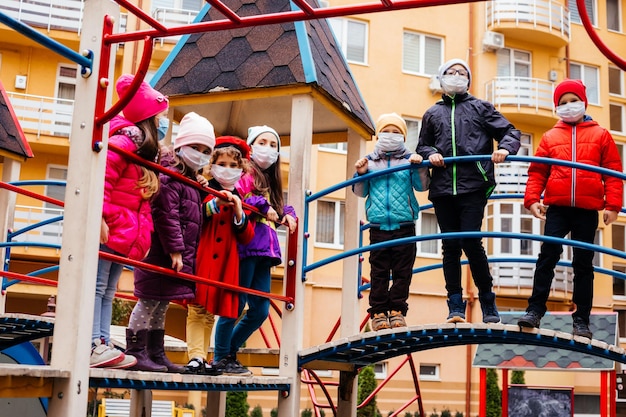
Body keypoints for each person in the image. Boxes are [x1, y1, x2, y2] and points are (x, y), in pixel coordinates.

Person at [416, 58, 521, 324]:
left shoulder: (480, 108)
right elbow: (422, 146)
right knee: (450, 246)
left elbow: (509, 131)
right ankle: (454, 305)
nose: (456, 76)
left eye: (462, 73)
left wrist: (505, 149)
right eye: (450, 72)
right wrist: (432, 154)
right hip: (442, 188)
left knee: (472, 243)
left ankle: (488, 301)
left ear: (468, 80)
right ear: (441, 78)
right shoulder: (432, 113)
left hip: (473, 183)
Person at [517, 79, 623, 338]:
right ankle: (535, 311)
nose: (568, 106)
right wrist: (531, 199)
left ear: (584, 102)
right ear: (556, 107)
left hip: (587, 209)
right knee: (547, 257)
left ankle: (581, 320)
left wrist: (613, 205)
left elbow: (612, 172)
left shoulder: (600, 135)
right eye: (562, 103)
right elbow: (537, 172)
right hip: (558, 207)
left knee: (584, 264)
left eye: (573, 101)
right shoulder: (551, 137)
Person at [125, 112, 215, 372]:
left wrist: (199, 184)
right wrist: (176, 250)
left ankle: (155, 352)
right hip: (160, 253)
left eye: (205, 150)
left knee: (162, 303)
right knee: (148, 301)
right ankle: (136, 351)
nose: (199, 154)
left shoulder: (190, 182)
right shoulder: (170, 177)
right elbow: (167, 215)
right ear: (180, 147)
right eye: (195, 147)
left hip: (175, 254)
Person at [90, 74, 168, 368]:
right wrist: (99, 217)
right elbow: (103, 181)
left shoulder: (144, 155)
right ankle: (90, 343)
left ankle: (101, 341)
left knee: (108, 289)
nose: (162, 124)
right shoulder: (124, 142)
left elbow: (143, 204)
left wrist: (143, 237)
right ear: (148, 119)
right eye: (160, 118)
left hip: (123, 232)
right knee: (97, 287)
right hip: (110, 227)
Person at [212, 125, 297, 376]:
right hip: (246, 246)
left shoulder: (270, 181)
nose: (268, 149)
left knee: (260, 310)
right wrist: (262, 205)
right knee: (235, 304)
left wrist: (289, 214)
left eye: (274, 145)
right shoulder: (246, 173)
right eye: (263, 142)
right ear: (251, 145)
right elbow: (240, 196)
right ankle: (220, 356)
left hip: (265, 252)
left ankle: (229, 352)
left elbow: (279, 207)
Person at [352, 113, 428, 331]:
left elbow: (422, 187)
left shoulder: (409, 160)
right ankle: (377, 313)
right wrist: (361, 173)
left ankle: (397, 311)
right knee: (379, 272)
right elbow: (360, 191)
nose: (391, 136)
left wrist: (419, 166)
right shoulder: (370, 161)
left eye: (396, 132)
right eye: (387, 131)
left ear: (404, 137)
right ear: (378, 134)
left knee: (403, 271)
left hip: (404, 225)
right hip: (378, 227)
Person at [186, 136, 255, 375]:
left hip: (225, 262)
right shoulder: (204, 188)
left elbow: (246, 236)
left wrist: (238, 211)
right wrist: (215, 203)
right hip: (203, 257)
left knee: (211, 310)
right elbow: (194, 216)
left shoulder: (241, 199)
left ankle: (201, 357)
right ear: (213, 164)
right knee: (198, 308)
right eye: (222, 164)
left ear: (242, 169)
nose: (227, 170)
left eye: (234, 166)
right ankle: (196, 356)